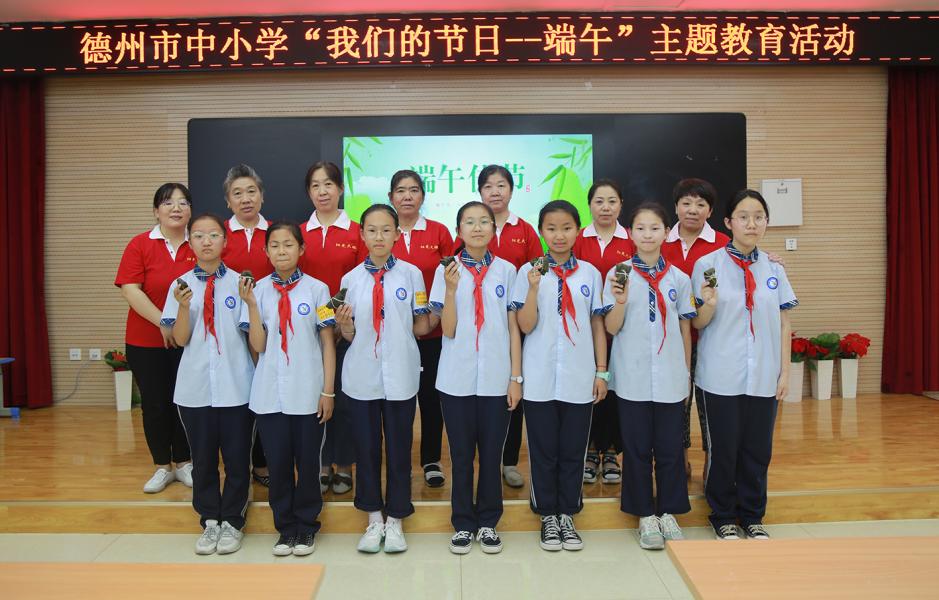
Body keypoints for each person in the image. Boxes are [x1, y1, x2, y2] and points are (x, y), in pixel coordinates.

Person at [691, 189, 798, 541]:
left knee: (757, 450)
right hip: (720, 374)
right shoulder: (708, 265)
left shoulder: (774, 268)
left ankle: (752, 515)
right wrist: (708, 304)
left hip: (764, 375)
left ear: (766, 222)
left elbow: (784, 323)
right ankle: (722, 514)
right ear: (728, 222)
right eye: (743, 217)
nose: (752, 224)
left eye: (759, 217)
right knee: (723, 449)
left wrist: (785, 372)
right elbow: (697, 322)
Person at [335, 204, 432, 554]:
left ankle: (396, 519)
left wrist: (436, 313)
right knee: (366, 448)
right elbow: (348, 335)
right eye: (372, 230)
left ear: (396, 234)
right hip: (362, 375)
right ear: (362, 234)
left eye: (386, 230)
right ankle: (373, 517)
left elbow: (421, 325)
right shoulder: (350, 280)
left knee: (399, 448)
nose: (379, 236)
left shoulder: (412, 274)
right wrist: (345, 325)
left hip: (401, 373)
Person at [512, 200, 608, 552]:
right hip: (539, 376)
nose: (559, 235)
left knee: (573, 450)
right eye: (551, 228)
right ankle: (547, 516)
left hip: (579, 376)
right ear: (541, 232)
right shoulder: (528, 272)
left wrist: (602, 371)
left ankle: (567, 513)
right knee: (543, 451)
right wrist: (533, 288)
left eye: (566, 228)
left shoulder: (590, 274)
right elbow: (525, 325)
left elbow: (597, 324)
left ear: (577, 230)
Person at [428, 201, 521, 555]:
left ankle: (489, 522)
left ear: (494, 230)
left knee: (492, 454)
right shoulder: (446, 271)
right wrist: (451, 290)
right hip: (457, 378)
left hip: (497, 377)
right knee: (462, 455)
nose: (478, 227)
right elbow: (448, 330)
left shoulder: (507, 271)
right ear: (459, 230)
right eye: (470, 222)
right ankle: (464, 523)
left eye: (484, 222)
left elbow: (513, 329)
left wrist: (515, 378)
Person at [240, 221, 336, 556]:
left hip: (308, 391)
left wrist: (328, 391)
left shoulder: (318, 290)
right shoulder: (257, 291)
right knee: (278, 465)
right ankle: (285, 528)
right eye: (275, 245)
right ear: (266, 251)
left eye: (288, 244)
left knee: (308, 464)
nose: (282, 251)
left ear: (301, 249)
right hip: (269, 393)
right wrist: (252, 306)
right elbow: (258, 345)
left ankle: (307, 527)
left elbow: (327, 343)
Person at [603, 203, 695, 551]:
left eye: (654, 228)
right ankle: (644, 514)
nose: (647, 235)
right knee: (637, 448)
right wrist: (621, 302)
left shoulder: (679, 278)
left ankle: (668, 512)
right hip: (632, 376)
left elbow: (684, 328)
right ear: (630, 233)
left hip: (671, 375)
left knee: (670, 448)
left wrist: (685, 372)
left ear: (666, 232)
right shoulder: (618, 274)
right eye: (640, 228)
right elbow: (611, 327)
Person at [161, 213, 255, 555]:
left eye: (213, 235)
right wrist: (184, 308)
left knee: (236, 459)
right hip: (195, 389)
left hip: (236, 387)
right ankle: (210, 520)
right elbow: (179, 338)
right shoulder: (180, 285)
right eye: (199, 235)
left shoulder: (241, 284)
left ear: (225, 241)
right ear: (190, 242)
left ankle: (233, 521)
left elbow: (251, 337)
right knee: (202, 460)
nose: (206, 241)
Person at [465, 164, 542, 489]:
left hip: (517, 323)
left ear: (511, 190)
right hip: (479, 328)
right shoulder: (470, 228)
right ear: (480, 192)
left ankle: (508, 461)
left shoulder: (525, 229)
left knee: (513, 392)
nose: (495, 191)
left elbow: (539, 268)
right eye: (488, 186)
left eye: (501, 185)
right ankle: (483, 462)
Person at [115, 183, 195, 493]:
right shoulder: (140, 244)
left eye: (183, 202)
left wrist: (177, 326)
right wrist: (164, 321)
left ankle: (185, 462)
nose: (176, 208)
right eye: (168, 202)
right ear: (156, 211)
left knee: (184, 401)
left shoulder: (198, 242)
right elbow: (130, 290)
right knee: (155, 404)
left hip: (189, 340)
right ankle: (162, 466)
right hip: (145, 341)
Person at [300, 161, 365, 496]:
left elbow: (362, 281)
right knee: (317, 396)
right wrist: (322, 321)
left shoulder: (357, 232)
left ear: (340, 188)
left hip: (348, 330)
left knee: (346, 400)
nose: (322, 191)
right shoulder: (299, 233)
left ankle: (344, 464)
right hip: (308, 331)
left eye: (328, 184)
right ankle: (322, 463)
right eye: (315, 185)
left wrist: (341, 322)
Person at [389, 169, 454, 489]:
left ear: (423, 196)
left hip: (433, 332)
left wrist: (434, 318)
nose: (407, 196)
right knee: (395, 399)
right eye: (401, 191)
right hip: (393, 335)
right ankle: (396, 460)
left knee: (430, 398)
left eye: (414, 190)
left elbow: (451, 275)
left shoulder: (438, 231)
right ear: (391, 197)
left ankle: (431, 459)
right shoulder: (383, 231)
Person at [661, 178, 730, 480]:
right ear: (676, 206)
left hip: (711, 336)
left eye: (700, 204)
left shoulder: (723, 244)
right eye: (686, 203)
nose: (693, 209)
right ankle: (681, 458)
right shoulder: (660, 240)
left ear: (710, 211)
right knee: (678, 402)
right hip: (671, 338)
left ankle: (711, 460)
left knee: (707, 404)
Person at [573, 178, 635, 486]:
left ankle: (611, 451)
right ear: (590, 205)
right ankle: (588, 449)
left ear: (621, 205)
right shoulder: (576, 239)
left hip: (622, 331)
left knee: (614, 393)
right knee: (590, 390)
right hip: (583, 331)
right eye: (599, 201)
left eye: (612, 201)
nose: (605, 207)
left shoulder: (632, 239)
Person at [219, 163, 273, 488]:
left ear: (262, 196)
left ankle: (263, 462)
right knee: (236, 396)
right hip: (226, 329)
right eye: (237, 193)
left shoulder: (277, 234)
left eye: (251, 191)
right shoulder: (218, 235)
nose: (246, 199)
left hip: (267, 328)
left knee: (265, 391)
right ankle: (238, 464)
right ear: (228, 201)